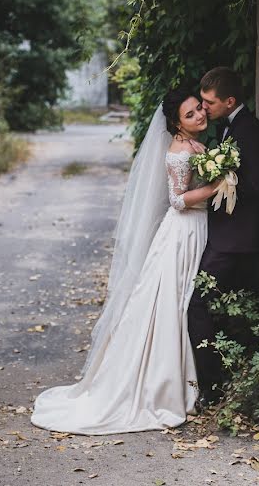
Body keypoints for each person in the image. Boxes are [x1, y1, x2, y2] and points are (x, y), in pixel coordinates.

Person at [30, 90, 219, 435]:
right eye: (190, 114)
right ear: (177, 123)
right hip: (183, 232)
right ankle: (161, 386)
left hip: (197, 228)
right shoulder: (179, 151)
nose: (199, 116)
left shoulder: (194, 145)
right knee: (172, 303)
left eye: (199, 110)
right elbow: (177, 200)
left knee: (182, 302)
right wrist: (217, 185)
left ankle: (185, 381)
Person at [187, 67, 259, 405]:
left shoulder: (250, 131)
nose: (204, 109)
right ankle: (228, 381)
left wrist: (223, 176)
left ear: (230, 101)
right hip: (226, 236)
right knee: (227, 311)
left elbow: (256, 185)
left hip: (237, 240)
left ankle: (212, 387)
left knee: (197, 304)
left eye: (208, 103)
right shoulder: (229, 127)